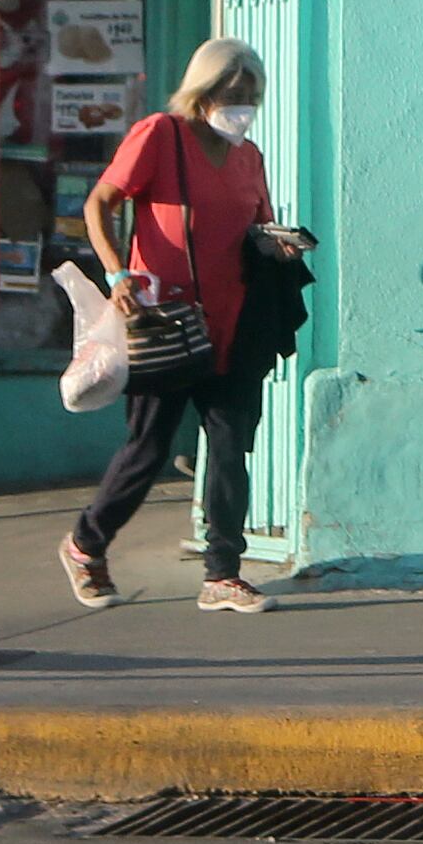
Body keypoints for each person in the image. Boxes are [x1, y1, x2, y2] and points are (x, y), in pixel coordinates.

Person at [61, 35, 311, 613]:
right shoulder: (160, 136)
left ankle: (223, 573)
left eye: (250, 95)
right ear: (202, 93)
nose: (241, 105)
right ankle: (85, 545)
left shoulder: (249, 157)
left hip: (233, 325)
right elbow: (100, 203)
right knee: (147, 448)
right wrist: (118, 273)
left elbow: (257, 225)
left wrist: (278, 246)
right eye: (231, 93)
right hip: (165, 323)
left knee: (228, 449)